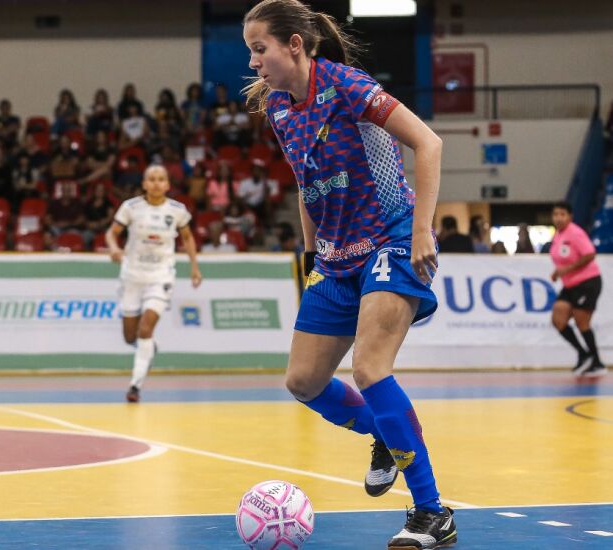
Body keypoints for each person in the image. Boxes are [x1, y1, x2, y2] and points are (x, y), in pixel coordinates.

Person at [242, 1, 455, 547]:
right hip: (335, 257)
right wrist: (312, 258)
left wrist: (422, 230)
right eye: (250, 51)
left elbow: (429, 142)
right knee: (303, 382)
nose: (253, 62)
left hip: (391, 238)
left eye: (259, 48)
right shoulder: (281, 110)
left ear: (294, 44)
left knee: (369, 368)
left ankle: (432, 514)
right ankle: (383, 431)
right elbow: (306, 184)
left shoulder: (349, 87)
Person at [105, 165, 201, 403]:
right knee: (130, 337)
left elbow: (188, 238)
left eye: (161, 179)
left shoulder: (177, 210)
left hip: (160, 276)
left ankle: (135, 386)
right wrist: (114, 248)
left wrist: (194, 267)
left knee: (145, 329)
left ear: (168, 184)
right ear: (144, 184)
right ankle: (149, 348)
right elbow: (111, 233)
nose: (157, 183)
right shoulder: (131, 207)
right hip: (132, 275)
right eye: (152, 179)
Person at [549, 202, 605, 377]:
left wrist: (568, 269)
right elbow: (562, 259)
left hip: (587, 282)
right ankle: (583, 354)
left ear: (569, 216)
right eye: (556, 214)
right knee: (558, 318)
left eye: (562, 214)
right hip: (569, 284)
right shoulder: (558, 235)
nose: (558, 218)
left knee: (582, 323)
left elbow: (590, 254)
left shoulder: (575, 233)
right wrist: (558, 271)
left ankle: (597, 362)